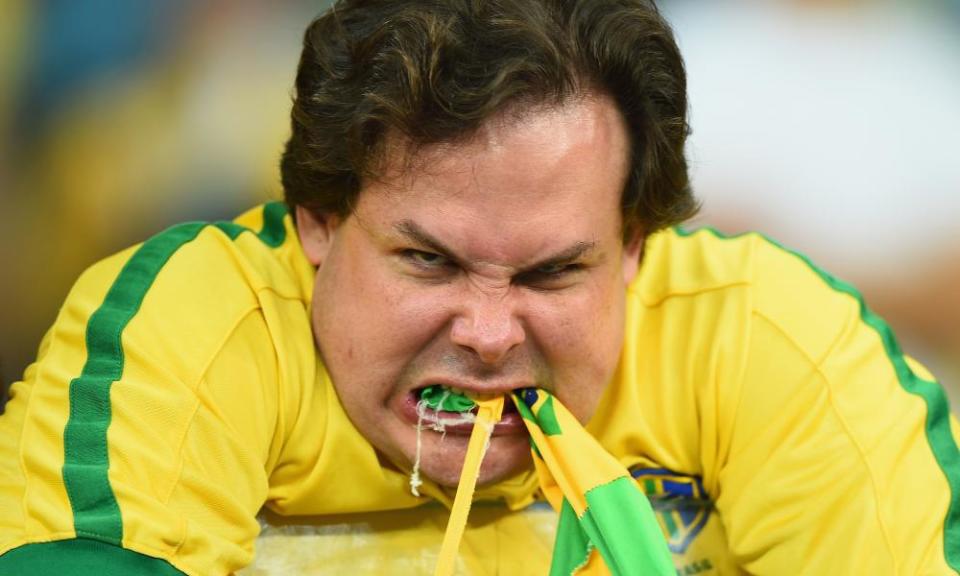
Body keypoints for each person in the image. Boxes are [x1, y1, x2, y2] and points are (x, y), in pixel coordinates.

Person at [1, 0, 957, 574]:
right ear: (318, 221)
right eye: (430, 260)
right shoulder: (191, 332)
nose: (492, 334)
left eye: (552, 271)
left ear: (634, 246)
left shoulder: (770, 344)